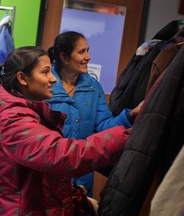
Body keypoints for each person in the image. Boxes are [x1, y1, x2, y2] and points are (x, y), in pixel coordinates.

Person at [0, 46, 130, 215]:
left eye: (51, 71)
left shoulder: (33, 112)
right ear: (22, 78)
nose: (53, 79)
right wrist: (126, 137)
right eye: (45, 72)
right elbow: (63, 155)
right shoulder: (12, 120)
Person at [47, 31, 142, 197]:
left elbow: (104, 126)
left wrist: (130, 115)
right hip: (51, 174)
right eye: (82, 51)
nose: (88, 57)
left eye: (87, 50)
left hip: (82, 179)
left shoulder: (93, 87)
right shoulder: (46, 85)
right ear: (64, 57)